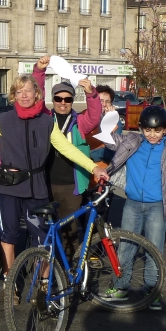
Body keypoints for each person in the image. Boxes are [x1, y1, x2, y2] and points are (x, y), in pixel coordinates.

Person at [0, 73, 108, 281]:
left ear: (37, 93)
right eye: (19, 92)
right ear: (14, 96)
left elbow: (67, 148)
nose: (24, 95)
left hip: (36, 187)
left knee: (42, 239)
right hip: (8, 187)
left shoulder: (47, 122)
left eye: (28, 91)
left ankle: (44, 283)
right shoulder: (4, 119)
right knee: (9, 237)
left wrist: (93, 168)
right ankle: (10, 284)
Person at [103, 105, 166, 310]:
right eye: (148, 130)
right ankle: (121, 287)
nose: (152, 134)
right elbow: (107, 138)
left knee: (154, 249)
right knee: (126, 246)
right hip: (131, 204)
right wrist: (107, 115)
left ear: (165, 130)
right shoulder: (132, 141)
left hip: (157, 207)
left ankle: (151, 290)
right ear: (141, 128)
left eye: (157, 130)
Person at [31, 56, 102, 252]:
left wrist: (92, 94)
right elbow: (36, 96)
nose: (63, 103)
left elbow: (95, 116)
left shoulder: (80, 122)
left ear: (72, 100)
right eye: (58, 99)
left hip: (72, 186)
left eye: (68, 99)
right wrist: (39, 70)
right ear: (52, 100)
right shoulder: (45, 118)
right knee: (44, 230)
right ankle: (48, 269)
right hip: (46, 184)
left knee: (69, 231)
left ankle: (70, 272)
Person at [90, 84, 122, 164]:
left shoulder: (116, 122)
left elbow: (112, 150)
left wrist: (108, 121)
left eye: (107, 102)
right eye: (101, 100)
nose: (104, 104)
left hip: (102, 166)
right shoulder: (84, 117)